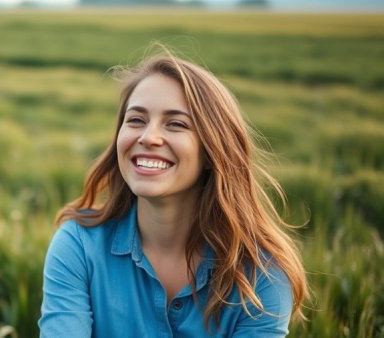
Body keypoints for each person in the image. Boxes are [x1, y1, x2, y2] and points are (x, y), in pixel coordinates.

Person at [38, 49, 308, 337]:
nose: (148, 137)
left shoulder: (260, 277)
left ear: (212, 151)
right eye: (136, 120)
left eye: (176, 124)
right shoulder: (79, 245)